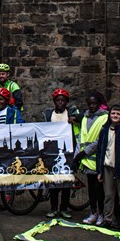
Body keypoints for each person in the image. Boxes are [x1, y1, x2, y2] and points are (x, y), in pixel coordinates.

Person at [96, 104, 120, 232]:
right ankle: (108, 219)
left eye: (118, 114)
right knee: (108, 195)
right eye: (113, 113)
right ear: (109, 115)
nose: (115, 116)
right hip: (107, 167)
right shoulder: (104, 130)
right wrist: (99, 170)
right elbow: (100, 151)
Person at [42, 88, 81, 218]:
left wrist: (75, 118)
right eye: (58, 100)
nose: (60, 102)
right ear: (54, 101)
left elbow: (84, 119)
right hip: (53, 151)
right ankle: (53, 208)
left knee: (66, 182)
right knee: (53, 181)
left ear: (66, 102)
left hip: (68, 151)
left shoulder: (71, 113)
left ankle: (64, 208)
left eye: (62, 100)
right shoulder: (49, 114)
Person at [76, 93, 109, 225]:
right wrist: (78, 155)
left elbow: (99, 140)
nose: (91, 106)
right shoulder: (85, 118)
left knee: (99, 189)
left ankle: (101, 213)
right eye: (89, 103)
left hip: (97, 159)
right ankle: (93, 212)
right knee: (91, 189)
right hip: (86, 160)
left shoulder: (105, 117)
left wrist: (84, 152)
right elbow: (81, 137)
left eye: (94, 103)